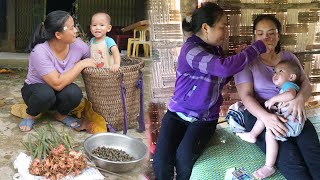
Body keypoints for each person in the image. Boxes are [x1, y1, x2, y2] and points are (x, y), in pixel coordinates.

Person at [152, 2, 271, 180]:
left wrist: (239, 62)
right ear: (206, 28)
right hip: (177, 114)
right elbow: (222, 68)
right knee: (160, 162)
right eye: (223, 27)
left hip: (204, 119)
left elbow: (222, 77)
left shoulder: (215, 51)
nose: (225, 32)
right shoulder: (190, 49)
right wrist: (256, 48)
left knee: (184, 159)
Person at [234, 14, 320, 179]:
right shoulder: (246, 61)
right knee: (291, 160)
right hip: (260, 113)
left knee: (314, 154)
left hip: (291, 110)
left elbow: (306, 84)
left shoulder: (289, 58)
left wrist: (300, 99)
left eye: (271, 32)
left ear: (278, 35)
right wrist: (266, 118)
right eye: (260, 33)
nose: (266, 37)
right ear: (255, 36)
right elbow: (246, 96)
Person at [19, 10, 97, 132]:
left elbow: (93, 59)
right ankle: (31, 115)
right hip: (36, 92)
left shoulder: (79, 45)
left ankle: (61, 114)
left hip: (58, 93)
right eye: (72, 28)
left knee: (74, 93)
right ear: (58, 35)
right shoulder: (40, 52)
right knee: (45, 94)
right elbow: (57, 83)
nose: (76, 30)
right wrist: (80, 64)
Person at [236, 60, 304, 179]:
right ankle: (252, 134)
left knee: (270, 133)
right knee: (266, 114)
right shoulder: (287, 87)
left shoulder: (289, 86)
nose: (275, 74)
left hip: (292, 122)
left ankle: (269, 166)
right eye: (274, 71)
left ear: (291, 77)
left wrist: (273, 100)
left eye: (280, 71)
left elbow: (291, 95)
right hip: (290, 119)